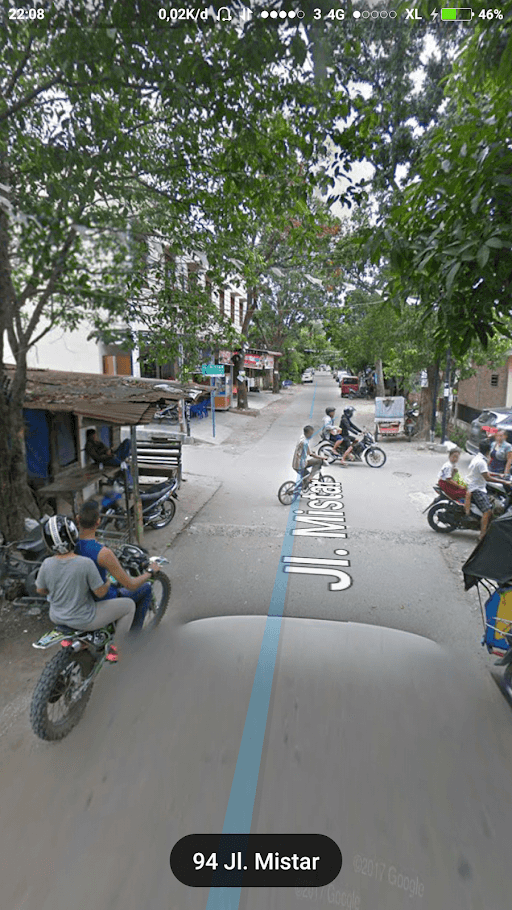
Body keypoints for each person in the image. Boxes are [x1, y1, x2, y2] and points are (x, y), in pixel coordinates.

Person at [36, 515, 135, 662]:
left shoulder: (46, 564)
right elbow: (100, 593)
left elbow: (41, 590)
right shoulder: (85, 563)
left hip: (57, 616)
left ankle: (82, 642)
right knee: (129, 606)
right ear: (74, 534)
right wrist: (107, 582)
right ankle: (116, 649)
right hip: (84, 618)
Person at [76, 500, 159, 632]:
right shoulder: (103, 554)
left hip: (78, 598)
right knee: (146, 588)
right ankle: (134, 637)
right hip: (102, 600)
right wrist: (149, 573)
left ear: (78, 519)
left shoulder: (70, 545)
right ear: (98, 521)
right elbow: (130, 584)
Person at [463, 439, 511, 540]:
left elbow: (486, 473)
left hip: (476, 484)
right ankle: (482, 535)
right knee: (487, 511)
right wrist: (505, 482)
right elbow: (487, 477)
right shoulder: (481, 462)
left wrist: (499, 475)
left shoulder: (479, 458)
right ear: (488, 451)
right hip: (476, 489)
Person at [292, 425, 328, 490]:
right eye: (311, 434)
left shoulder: (302, 437)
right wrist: (321, 457)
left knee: (316, 461)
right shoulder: (304, 442)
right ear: (307, 433)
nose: (312, 435)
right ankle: (309, 478)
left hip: (297, 462)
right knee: (318, 461)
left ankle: (305, 482)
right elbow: (310, 454)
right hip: (300, 464)